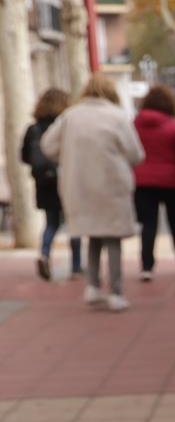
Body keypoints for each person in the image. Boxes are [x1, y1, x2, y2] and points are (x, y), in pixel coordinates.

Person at [40, 74, 145, 312]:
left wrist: (68, 156)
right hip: (111, 183)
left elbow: (48, 145)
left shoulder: (70, 116)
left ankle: (93, 286)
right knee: (112, 236)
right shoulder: (117, 117)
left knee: (93, 234)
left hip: (79, 184)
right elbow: (135, 154)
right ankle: (116, 292)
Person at [132, 84, 175, 281]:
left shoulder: (134, 125)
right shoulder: (174, 127)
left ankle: (146, 266)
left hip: (142, 182)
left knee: (148, 224)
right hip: (170, 182)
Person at [21, 88, 82, 280]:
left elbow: (24, 156)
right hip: (66, 178)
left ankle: (45, 254)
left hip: (44, 182)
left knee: (51, 223)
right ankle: (76, 265)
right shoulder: (66, 126)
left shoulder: (34, 128)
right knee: (74, 224)